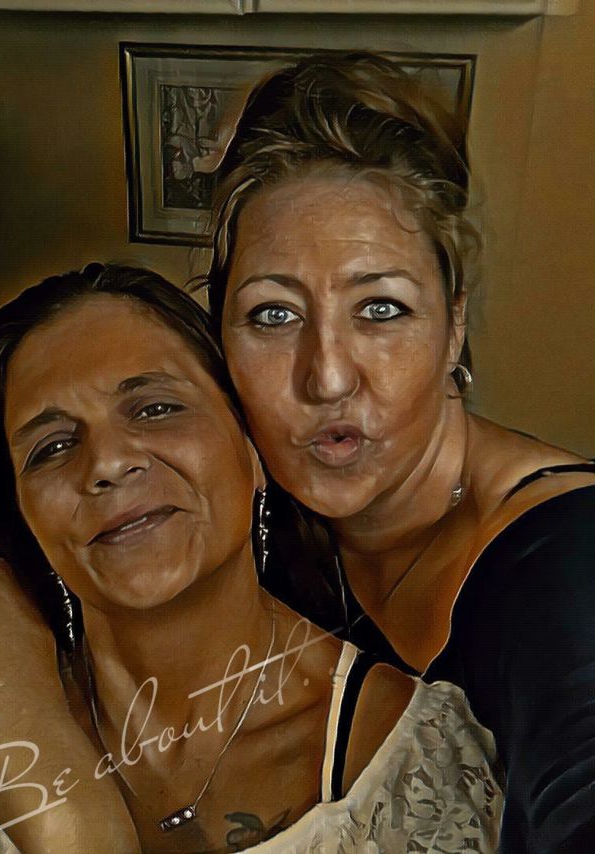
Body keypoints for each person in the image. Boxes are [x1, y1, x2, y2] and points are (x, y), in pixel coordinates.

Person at [0, 263, 502, 853]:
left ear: (254, 447)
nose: (107, 463)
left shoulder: (416, 768)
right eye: (53, 446)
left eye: (154, 408)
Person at [205, 52, 595, 853]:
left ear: (454, 327)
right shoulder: (250, 506)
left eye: (380, 308)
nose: (327, 376)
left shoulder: (565, 561)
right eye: (274, 315)